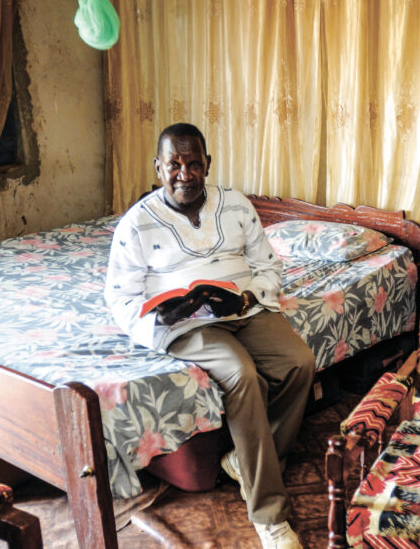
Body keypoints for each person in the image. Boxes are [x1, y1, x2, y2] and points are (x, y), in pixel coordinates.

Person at [104, 123, 314, 549]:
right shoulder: (138, 223)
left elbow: (269, 265)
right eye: (174, 164)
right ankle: (270, 515)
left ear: (208, 165)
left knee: (299, 363)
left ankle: (246, 457)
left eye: (194, 163)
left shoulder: (235, 206)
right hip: (184, 323)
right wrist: (160, 318)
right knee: (241, 374)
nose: (185, 173)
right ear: (158, 167)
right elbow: (120, 298)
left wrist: (248, 296)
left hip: (243, 307)